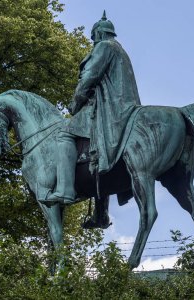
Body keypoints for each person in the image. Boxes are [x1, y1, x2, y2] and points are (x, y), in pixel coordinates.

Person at [39, 11, 141, 209]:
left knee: (64, 134)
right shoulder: (120, 50)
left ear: (99, 34)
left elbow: (90, 77)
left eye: (93, 37)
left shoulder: (104, 47)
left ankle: (65, 190)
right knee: (97, 152)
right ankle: (100, 213)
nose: (93, 41)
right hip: (122, 105)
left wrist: (76, 102)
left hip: (108, 107)